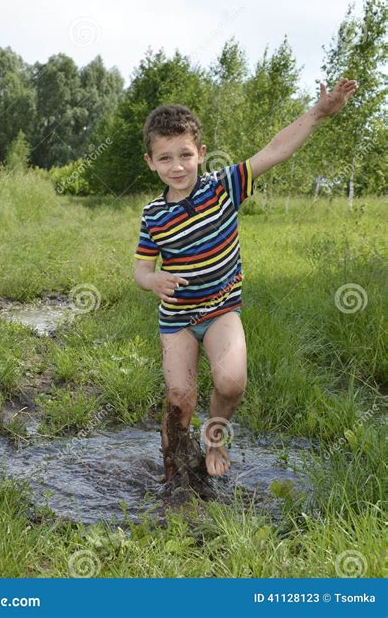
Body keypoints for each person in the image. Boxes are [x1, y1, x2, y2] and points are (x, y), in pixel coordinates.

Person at [134, 79, 358, 482]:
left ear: (201, 154)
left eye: (185, 154)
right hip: (178, 319)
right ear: (150, 162)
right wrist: (153, 282)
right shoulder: (153, 215)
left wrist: (318, 113)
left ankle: (215, 436)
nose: (177, 166)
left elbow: (275, 149)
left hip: (221, 311)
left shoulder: (223, 188)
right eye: (165, 158)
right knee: (179, 400)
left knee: (232, 383)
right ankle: (175, 471)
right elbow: (141, 270)